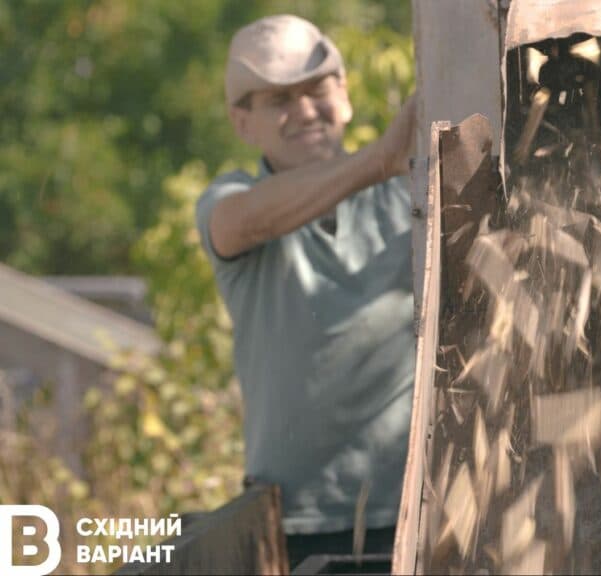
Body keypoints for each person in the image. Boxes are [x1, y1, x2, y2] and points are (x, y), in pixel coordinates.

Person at [194, 14, 417, 569]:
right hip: (294, 526)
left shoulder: (406, 196)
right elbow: (240, 223)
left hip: (417, 507)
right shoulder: (234, 199)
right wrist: (379, 159)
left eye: (316, 89)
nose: (305, 111)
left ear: (343, 96)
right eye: (278, 101)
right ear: (242, 122)